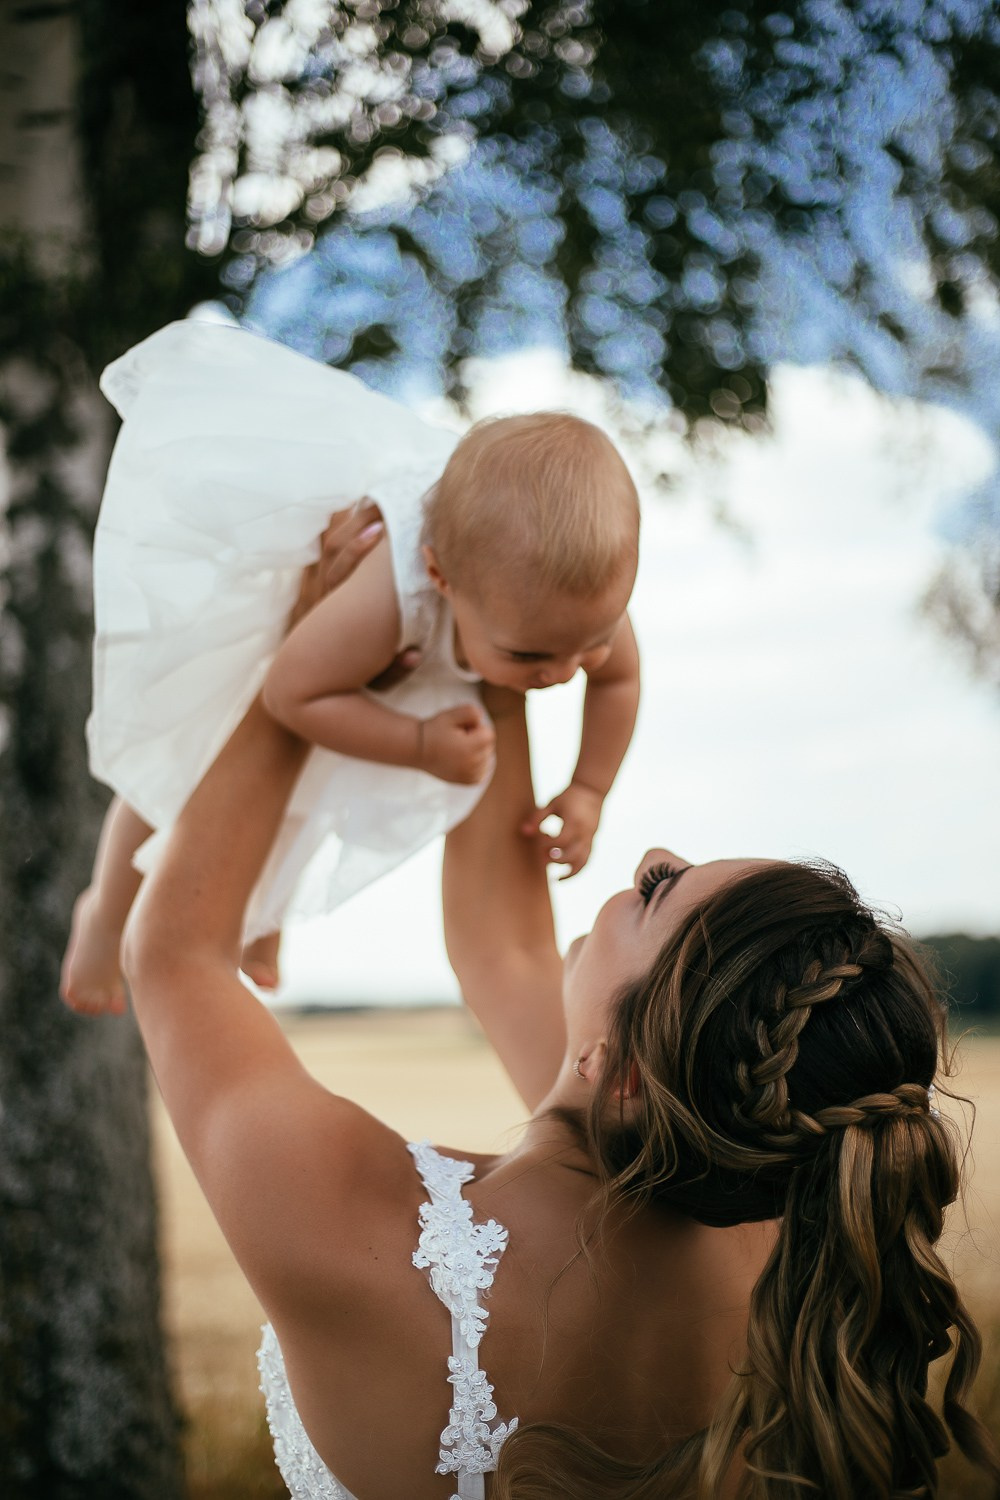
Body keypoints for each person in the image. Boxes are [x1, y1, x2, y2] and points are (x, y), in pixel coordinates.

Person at [121, 511, 999, 1500]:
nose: (649, 855)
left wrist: (302, 658)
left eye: (663, 891)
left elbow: (174, 956)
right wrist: (486, 637)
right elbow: (497, 947)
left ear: (619, 1068)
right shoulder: (764, 1218)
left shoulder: (357, 1226)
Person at [61, 319, 640, 1015]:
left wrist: (588, 790)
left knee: (325, 789)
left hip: (371, 664)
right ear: (441, 577)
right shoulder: (392, 589)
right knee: (186, 771)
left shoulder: (574, 598)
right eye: (530, 656)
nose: (564, 673)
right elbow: (290, 694)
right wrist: (418, 744)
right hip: (291, 646)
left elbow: (619, 680)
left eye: (590, 643)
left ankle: (257, 923)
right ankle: (103, 914)